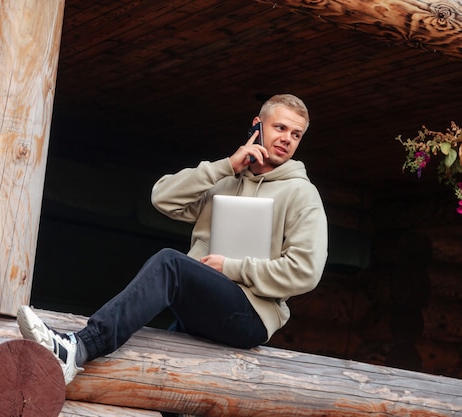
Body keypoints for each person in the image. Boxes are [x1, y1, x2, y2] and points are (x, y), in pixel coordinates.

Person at [17, 93, 328, 386]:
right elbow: (162, 198)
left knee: (170, 264)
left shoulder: (301, 193)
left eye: (296, 134)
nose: (287, 138)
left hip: (251, 314)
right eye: (280, 127)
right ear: (257, 126)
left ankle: (78, 349)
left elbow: (305, 270)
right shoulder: (226, 179)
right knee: (162, 388)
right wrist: (227, 166)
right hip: (206, 305)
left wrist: (231, 268)